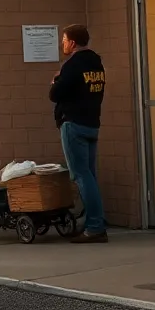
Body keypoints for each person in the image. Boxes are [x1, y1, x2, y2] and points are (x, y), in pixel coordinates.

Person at [49, 23, 107, 243]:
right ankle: (94, 221)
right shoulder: (96, 63)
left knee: (81, 176)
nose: (62, 43)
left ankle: (94, 227)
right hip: (92, 123)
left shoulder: (72, 65)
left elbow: (55, 94)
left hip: (74, 124)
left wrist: (55, 80)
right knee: (89, 176)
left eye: (63, 40)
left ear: (72, 42)